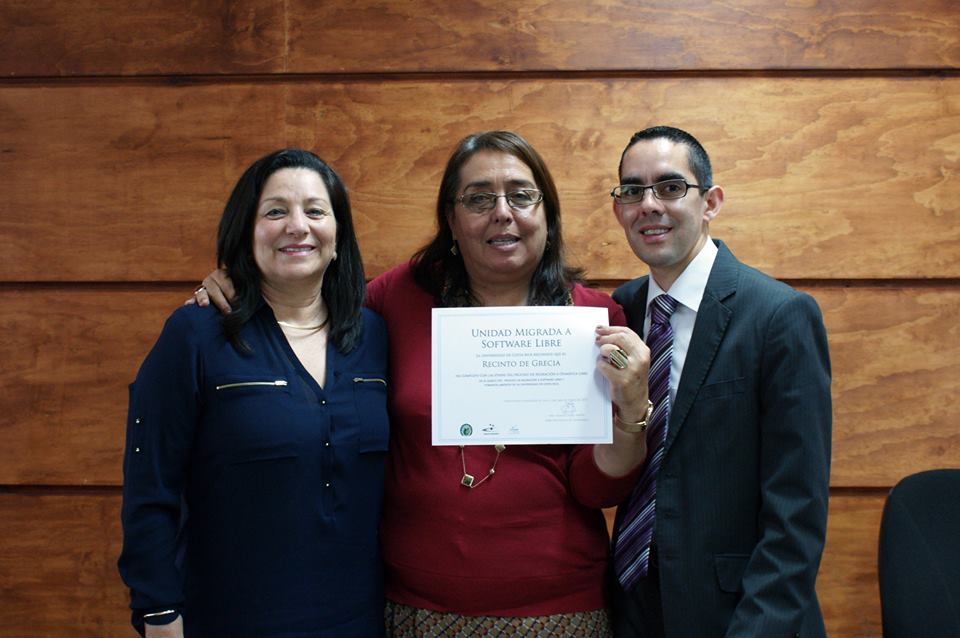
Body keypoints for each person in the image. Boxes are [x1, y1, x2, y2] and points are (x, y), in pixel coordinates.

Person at [196, 131, 653, 636]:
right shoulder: (396, 298)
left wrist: (631, 415)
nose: (503, 212)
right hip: (415, 607)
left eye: (522, 195)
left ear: (547, 214)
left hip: (558, 610)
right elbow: (302, 305)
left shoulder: (595, 317)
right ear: (451, 222)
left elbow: (596, 488)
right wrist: (241, 282)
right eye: (478, 198)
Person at [119, 149, 390, 637]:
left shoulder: (375, 335)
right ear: (246, 230)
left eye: (315, 210)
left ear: (338, 235)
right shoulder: (195, 335)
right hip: (231, 618)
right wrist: (158, 613)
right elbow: (150, 488)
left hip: (360, 620)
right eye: (275, 211)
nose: (297, 226)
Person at [607, 126, 832, 637]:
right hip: (635, 607)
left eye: (669, 187)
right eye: (632, 190)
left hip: (742, 615)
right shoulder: (624, 308)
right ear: (618, 208)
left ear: (710, 202)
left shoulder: (780, 315)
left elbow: (796, 511)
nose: (649, 205)